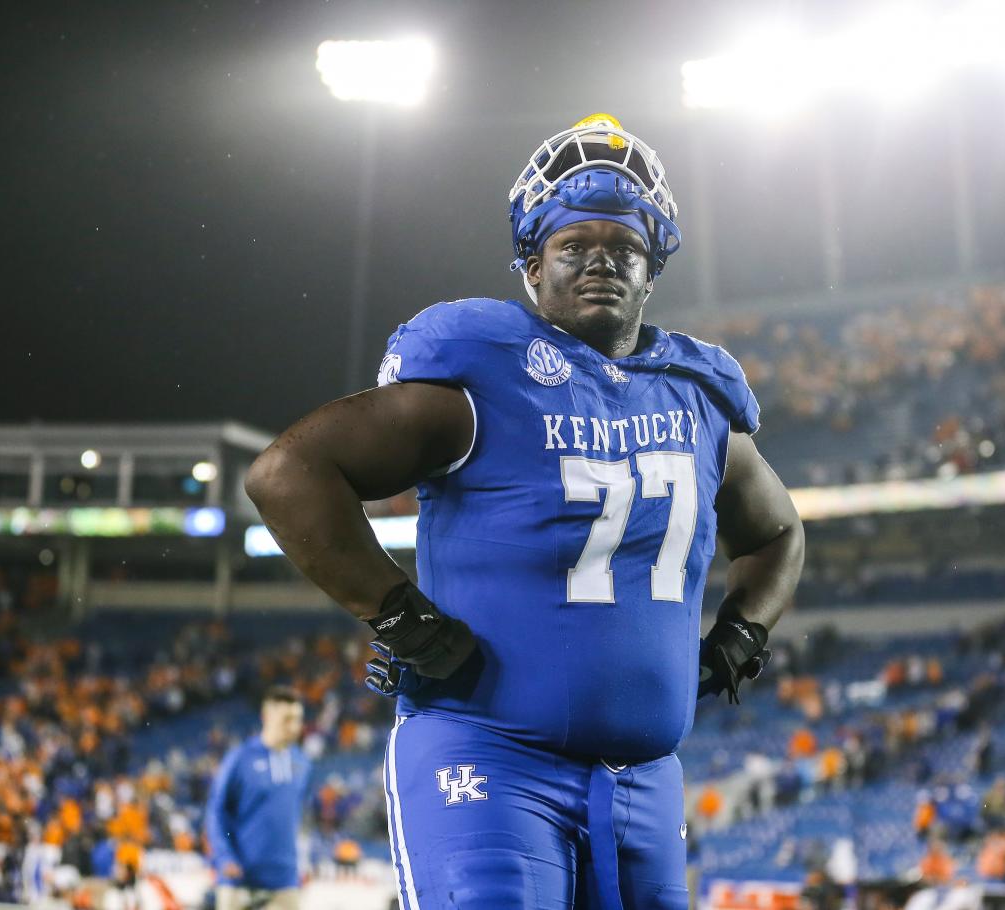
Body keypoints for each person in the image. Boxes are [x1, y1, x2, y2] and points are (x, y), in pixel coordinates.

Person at [246, 113, 804, 908]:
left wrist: (741, 635)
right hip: (488, 755)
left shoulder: (697, 396)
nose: (601, 262)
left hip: (644, 782)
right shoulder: (483, 370)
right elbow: (288, 471)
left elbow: (778, 532)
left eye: (625, 248)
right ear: (531, 265)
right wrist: (398, 614)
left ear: (654, 269)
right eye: (574, 246)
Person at [205, 687, 309, 910]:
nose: (294, 727)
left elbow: (294, 816)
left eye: (298, 719)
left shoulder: (302, 762)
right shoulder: (240, 759)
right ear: (266, 717)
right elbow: (216, 812)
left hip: (285, 881)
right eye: (287, 719)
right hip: (239, 879)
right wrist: (224, 857)